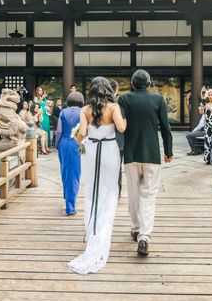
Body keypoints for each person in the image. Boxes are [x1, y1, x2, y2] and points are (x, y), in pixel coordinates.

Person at [69, 77, 126, 274]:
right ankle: (103, 232)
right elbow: (121, 128)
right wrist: (125, 119)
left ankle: (92, 232)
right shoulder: (113, 107)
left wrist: (76, 141)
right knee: (110, 191)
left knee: (92, 189)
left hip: (91, 151)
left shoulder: (85, 110)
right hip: (110, 151)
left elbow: (82, 133)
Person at [118, 69, 173, 257]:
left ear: (132, 83)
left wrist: (118, 151)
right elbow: (166, 127)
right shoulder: (158, 99)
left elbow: (120, 128)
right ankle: (144, 237)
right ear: (148, 83)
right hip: (152, 153)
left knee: (133, 193)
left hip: (131, 153)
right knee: (148, 195)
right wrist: (168, 151)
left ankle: (135, 228)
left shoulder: (124, 100)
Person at [56, 92, 84, 215]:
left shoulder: (63, 112)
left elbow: (58, 131)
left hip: (64, 143)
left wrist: (57, 145)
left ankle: (67, 198)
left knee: (65, 171)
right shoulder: (83, 112)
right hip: (77, 143)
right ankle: (70, 206)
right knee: (75, 173)